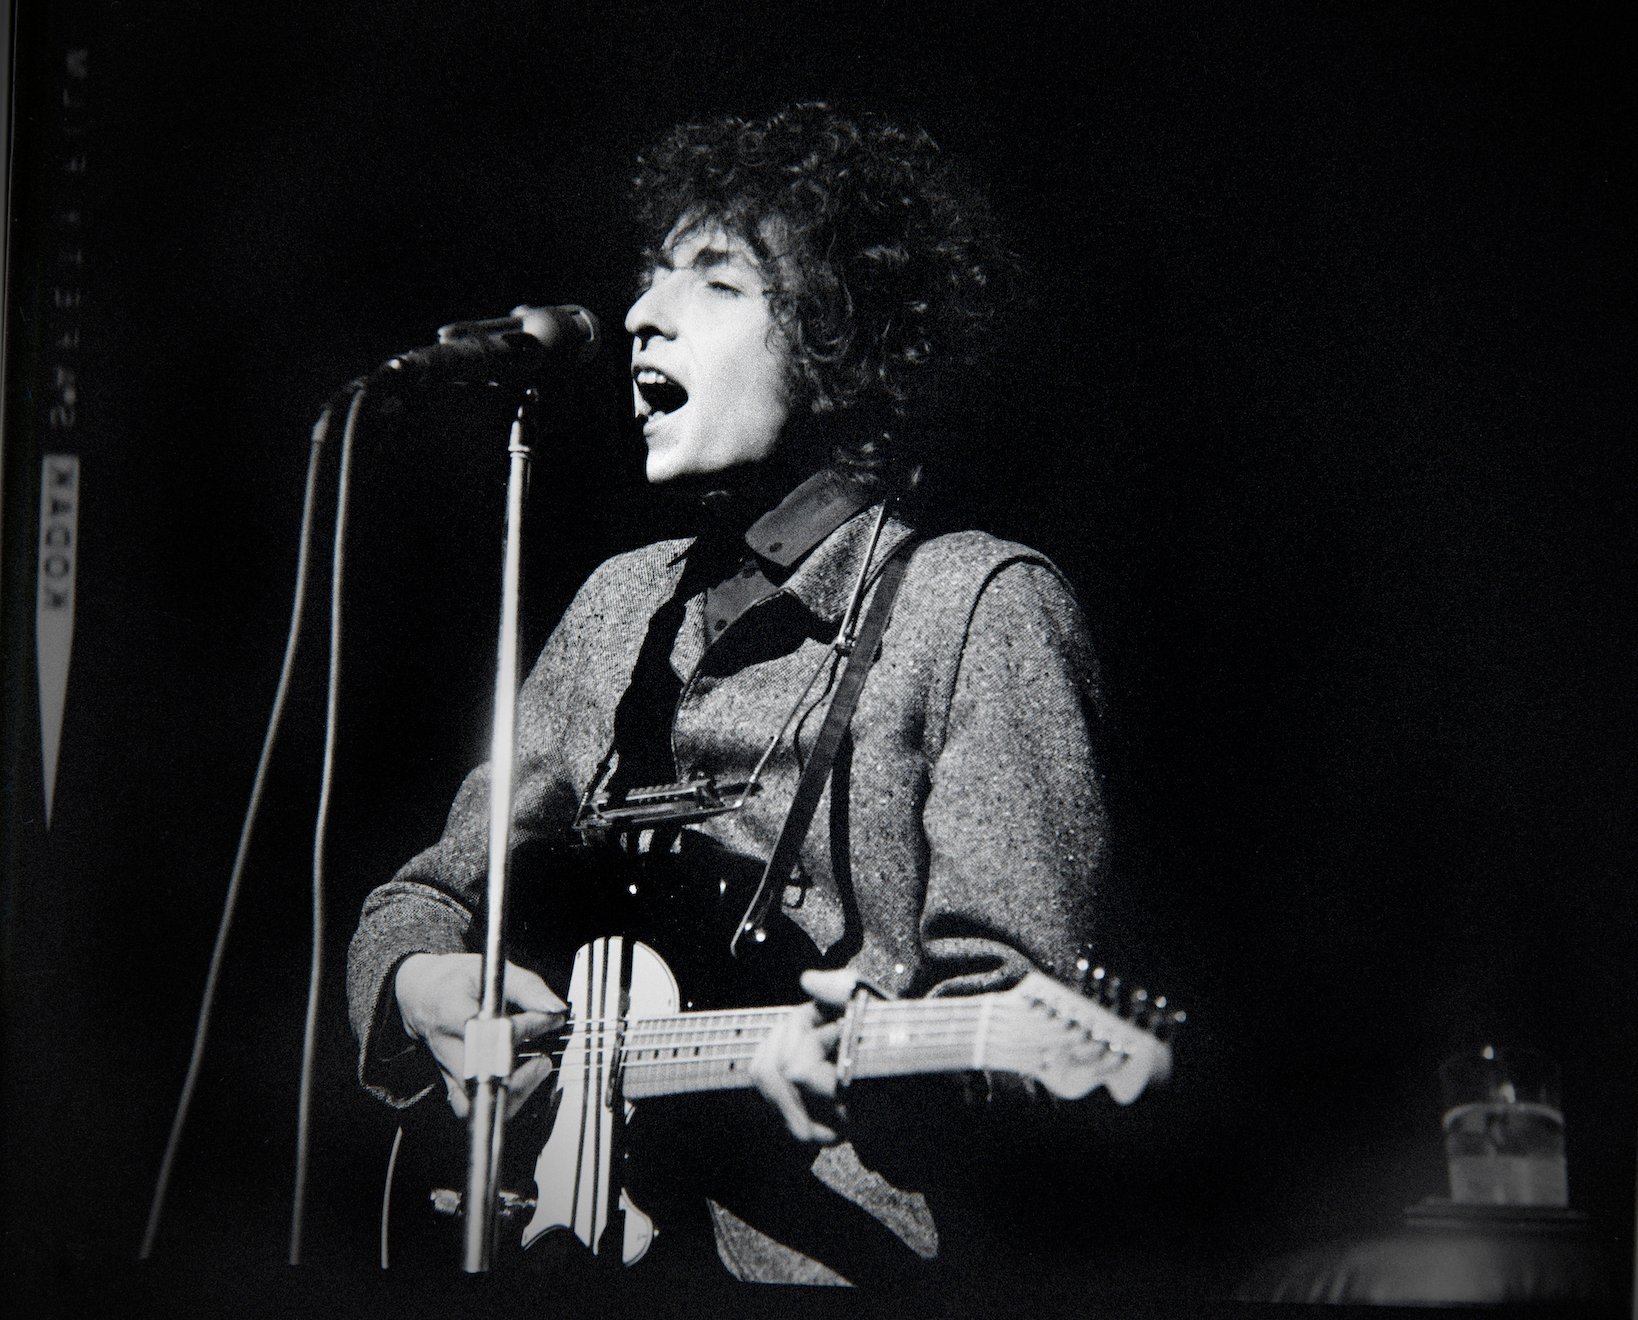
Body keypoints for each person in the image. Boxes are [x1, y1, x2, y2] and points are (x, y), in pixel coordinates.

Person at [346, 102, 1110, 1289]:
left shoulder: (978, 607)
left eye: (715, 283)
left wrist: (877, 1062)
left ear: (841, 338)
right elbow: (423, 895)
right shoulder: (622, 605)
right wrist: (423, 982)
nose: (643, 316)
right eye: (650, 279)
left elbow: (1014, 1019)